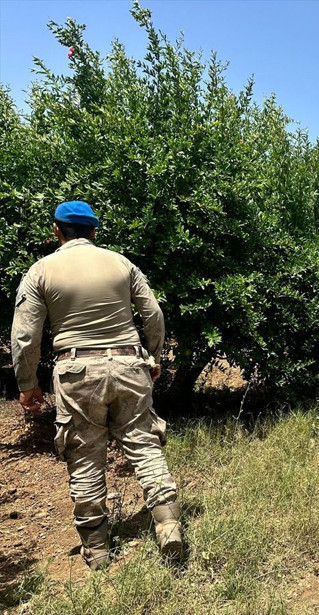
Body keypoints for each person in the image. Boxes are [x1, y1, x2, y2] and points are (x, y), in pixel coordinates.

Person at [11, 201, 182, 570]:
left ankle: (99, 550)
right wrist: (152, 356)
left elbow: (25, 336)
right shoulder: (121, 263)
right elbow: (153, 314)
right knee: (143, 444)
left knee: (85, 457)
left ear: (57, 231)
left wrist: (28, 384)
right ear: (94, 232)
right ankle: (168, 525)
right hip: (128, 362)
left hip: (76, 370)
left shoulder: (41, 270)